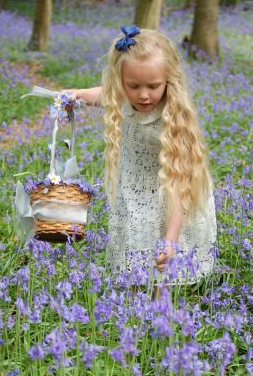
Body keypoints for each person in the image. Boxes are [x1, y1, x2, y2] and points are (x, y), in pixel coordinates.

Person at [65, 26, 217, 284]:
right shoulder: (124, 95)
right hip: (135, 195)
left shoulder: (173, 120)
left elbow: (180, 186)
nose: (143, 95)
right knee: (136, 251)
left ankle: (163, 300)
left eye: (153, 86)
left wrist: (171, 240)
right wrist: (78, 95)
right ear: (122, 82)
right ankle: (136, 296)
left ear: (169, 81)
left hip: (171, 197)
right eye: (133, 85)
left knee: (164, 264)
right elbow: (105, 94)